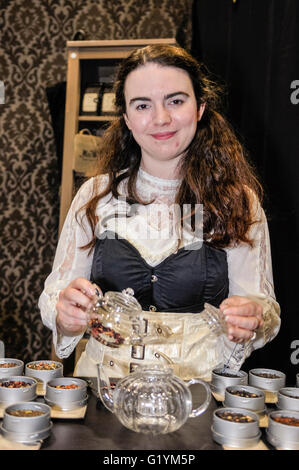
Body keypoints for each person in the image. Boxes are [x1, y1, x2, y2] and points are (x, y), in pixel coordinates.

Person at [39, 44, 280, 381]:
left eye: (175, 101)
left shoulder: (237, 202)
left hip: (197, 400)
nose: (161, 118)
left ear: (200, 108)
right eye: (142, 105)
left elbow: (264, 308)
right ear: (126, 118)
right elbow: (54, 296)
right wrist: (65, 312)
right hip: (102, 397)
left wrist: (253, 318)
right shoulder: (95, 197)